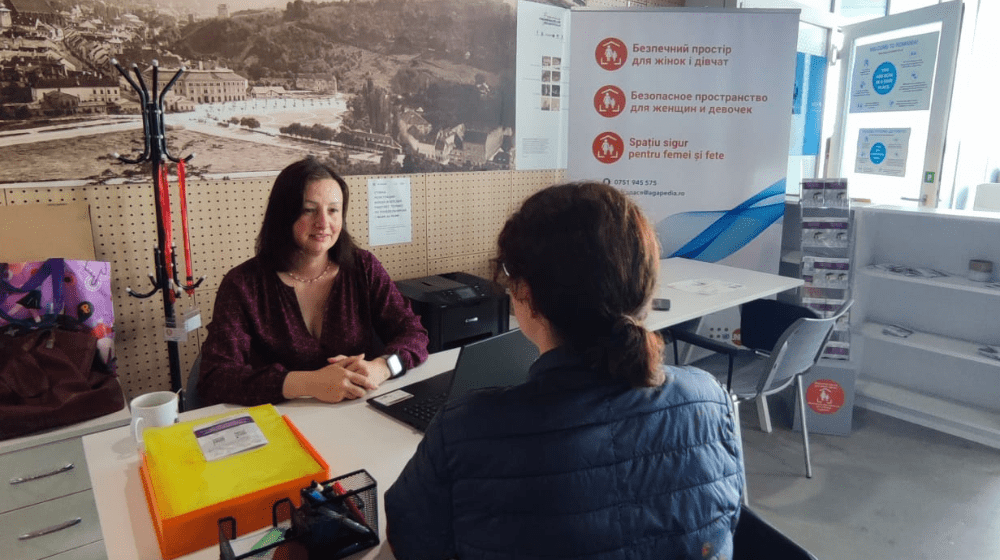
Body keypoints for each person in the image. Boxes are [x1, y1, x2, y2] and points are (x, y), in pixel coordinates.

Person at [385, 182, 743, 559]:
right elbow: (727, 524)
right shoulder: (708, 397)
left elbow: (406, 547)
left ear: (527, 294)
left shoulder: (465, 429)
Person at [198, 158, 429, 406]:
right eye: (309, 209)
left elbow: (414, 333)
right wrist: (309, 383)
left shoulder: (363, 267)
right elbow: (216, 377)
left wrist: (383, 367)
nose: (323, 223)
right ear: (283, 214)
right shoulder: (243, 285)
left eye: (333, 210)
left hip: (357, 415)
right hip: (278, 424)